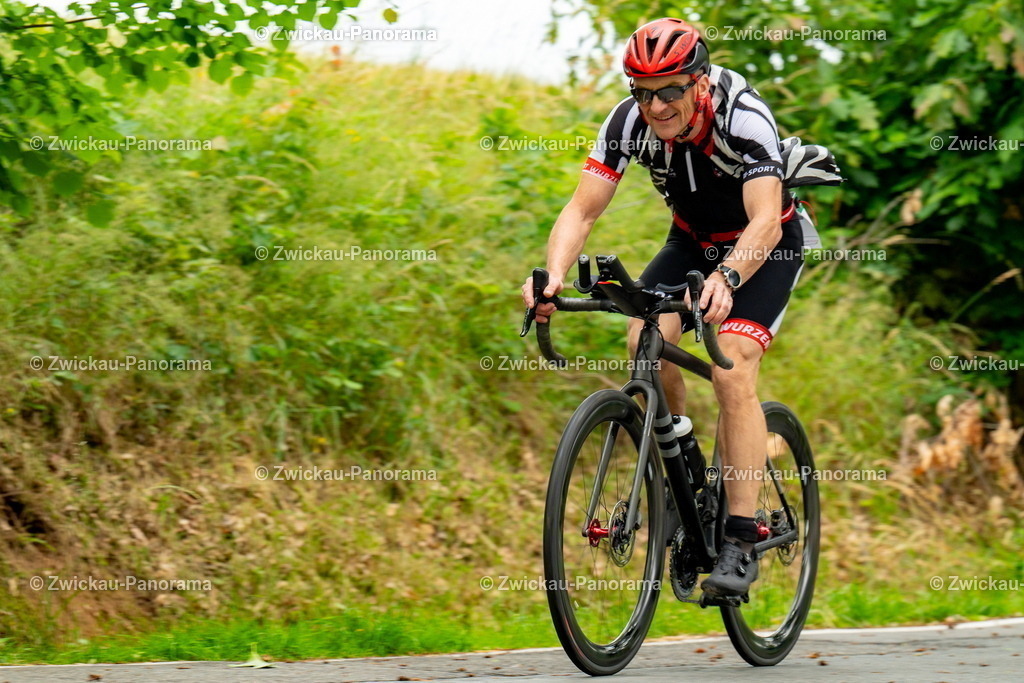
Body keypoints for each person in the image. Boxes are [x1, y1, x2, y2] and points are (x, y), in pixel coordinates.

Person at [521, 18, 841, 597]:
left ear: (699, 82)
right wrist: (554, 276)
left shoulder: (742, 116)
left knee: (732, 366)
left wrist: (730, 275)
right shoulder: (625, 122)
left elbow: (765, 219)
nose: (656, 105)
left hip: (766, 244)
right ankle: (686, 463)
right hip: (691, 240)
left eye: (670, 89)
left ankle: (741, 538)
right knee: (643, 340)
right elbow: (582, 210)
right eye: (642, 91)